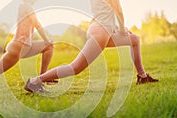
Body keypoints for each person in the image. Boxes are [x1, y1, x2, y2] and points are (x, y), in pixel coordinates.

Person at [24, 0, 158, 93]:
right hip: (101, 33)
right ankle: (35, 81)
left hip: (100, 29)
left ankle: (142, 76)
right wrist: (123, 31)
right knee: (75, 68)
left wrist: (119, 29)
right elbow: (118, 11)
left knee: (134, 39)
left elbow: (106, 13)